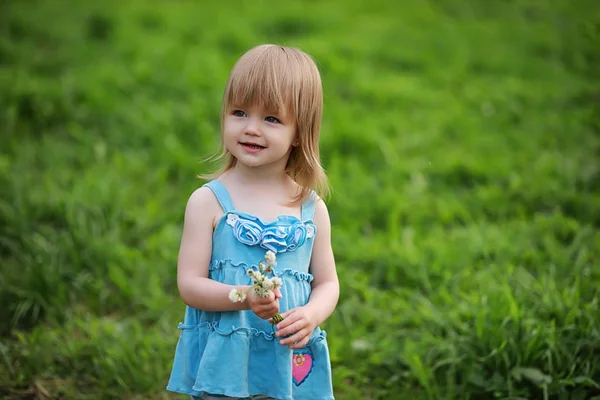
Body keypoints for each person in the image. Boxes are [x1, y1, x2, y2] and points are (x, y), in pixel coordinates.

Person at [166, 44, 339, 400]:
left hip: (287, 355)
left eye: (271, 119)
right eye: (240, 112)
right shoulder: (208, 203)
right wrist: (244, 297)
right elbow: (189, 284)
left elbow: (328, 284)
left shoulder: (311, 208)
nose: (251, 129)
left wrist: (311, 315)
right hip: (228, 358)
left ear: (299, 132)